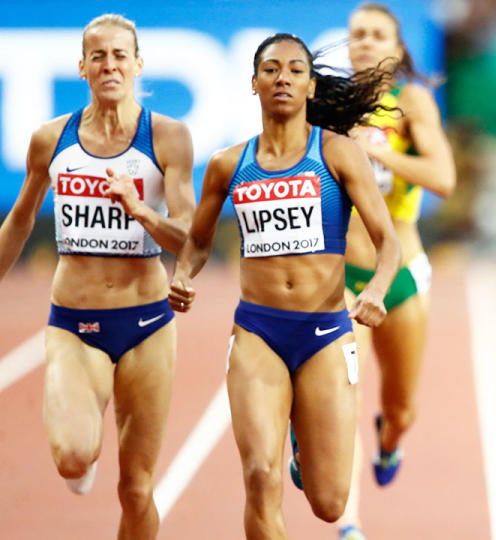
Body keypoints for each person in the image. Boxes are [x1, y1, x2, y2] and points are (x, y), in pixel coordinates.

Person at [167, 33, 400, 538]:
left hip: (325, 332)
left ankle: (304, 443)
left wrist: (378, 289)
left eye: (296, 70)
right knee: (258, 475)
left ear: (312, 86)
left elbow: (388, 243)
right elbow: (199, 241)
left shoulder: (337, 154)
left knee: (330, 502)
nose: (283, 78)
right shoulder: (229, 165)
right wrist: (183, 273)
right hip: (258, 331)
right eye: (271, 70)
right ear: (254, 83)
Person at [0, 14, 194, 539]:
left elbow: (189, 235)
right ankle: (80, 459)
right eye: (99, 56)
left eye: (119, 55)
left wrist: (140, 211)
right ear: (82, 66)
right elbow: (19, 221)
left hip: (148, 324)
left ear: (138, 64)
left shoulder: (168, 138)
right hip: (74, 321)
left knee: (136, 488)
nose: (110, 65)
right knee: (73, 456)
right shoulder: (51, 140)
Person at [287, 3, 456, 539]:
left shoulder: (410, 102)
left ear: (398, 47)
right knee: (342, 394)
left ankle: (391, 438)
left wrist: (371, 153)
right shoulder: (326, 102)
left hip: (401, 272)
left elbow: (444, 178)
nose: (363, 41)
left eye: (377, 33)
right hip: (337, 275)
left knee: (400, 405)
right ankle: (350, 524)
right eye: (356, 33)